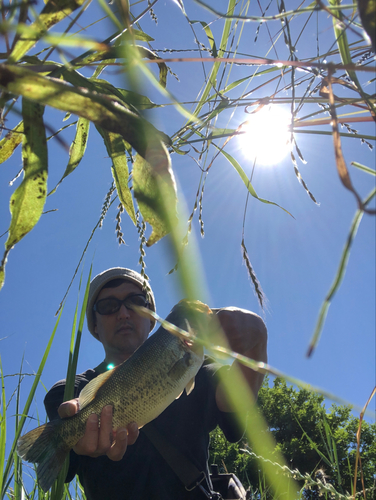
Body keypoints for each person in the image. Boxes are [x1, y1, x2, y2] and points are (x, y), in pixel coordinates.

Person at [44, 267, 268, 500]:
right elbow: (61, 460)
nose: (123, 313)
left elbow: (234, 400)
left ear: (153, 319)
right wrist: (72, 437)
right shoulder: (70, 390)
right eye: (108, 306)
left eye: (135, 302)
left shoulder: (197, 368)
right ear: (95, 326)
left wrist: (256, 343)